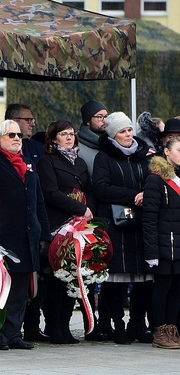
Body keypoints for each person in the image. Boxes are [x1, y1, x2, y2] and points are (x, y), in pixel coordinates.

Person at [0, 120, 50, 351]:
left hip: (28, 234)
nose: (17, 138)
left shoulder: (28, 163)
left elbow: (38, 202)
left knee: (19, 290)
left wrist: (44, 233)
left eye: (19, 135)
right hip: (1, 236)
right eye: (11, 135)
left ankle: (13, 333)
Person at [92, 112, 153, 345]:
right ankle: (116, 325)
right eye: (122, 131)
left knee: (142, 278)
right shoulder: (104, 157)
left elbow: (152, 180)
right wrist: (133, 196)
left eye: (129, 130)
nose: (128, 135)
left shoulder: (143, 155)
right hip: (115, 225)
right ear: (112, 135)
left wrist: (146, 194)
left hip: (139, 224)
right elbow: (101, 187)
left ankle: (137, 323)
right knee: (115, 279)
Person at [37, 120, 95, 344]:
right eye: (64, 134)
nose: (70, 137)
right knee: (56, 277)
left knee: (73, 275)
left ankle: (65, 325)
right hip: (58, 224)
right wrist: (80, 208)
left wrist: (89, 211)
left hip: (80, 225)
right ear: (53, 139)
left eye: (72, 134)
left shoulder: (79, 161)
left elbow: (89, 190)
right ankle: (54, 326)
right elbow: (50, 192)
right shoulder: (47, 162)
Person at [143, 136, 180, 349]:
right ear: (166, 152)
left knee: (177, 287)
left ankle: (172, 329)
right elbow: (149, 217)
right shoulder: (156, 179)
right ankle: (160, 329)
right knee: (163, 287)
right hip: (164, 245)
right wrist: (151, 251)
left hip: (178, 245)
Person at [77, 100, 108, 175]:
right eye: (99, 117)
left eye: (106, 116)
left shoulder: (112, 142)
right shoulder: (76, 147)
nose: (104, 120)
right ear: (87, 121)